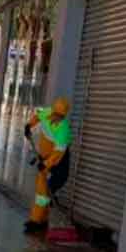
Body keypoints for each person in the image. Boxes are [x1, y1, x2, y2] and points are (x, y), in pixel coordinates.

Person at [23, 97, 72, 234]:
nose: (55, 118)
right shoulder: (47, 113)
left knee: (49, 188)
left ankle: (40, 219)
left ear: (63, 116)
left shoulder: (63, 129)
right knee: (42, 191)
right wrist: (29, 125)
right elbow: (37, 116)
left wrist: (46, 164)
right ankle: (38, 221)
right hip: (45, 158)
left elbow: (58, 153)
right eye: (55, 114)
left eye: (59, 116)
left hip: (59, 160)